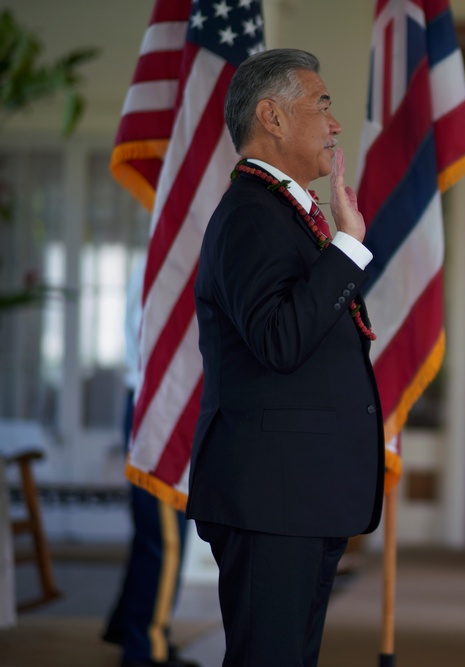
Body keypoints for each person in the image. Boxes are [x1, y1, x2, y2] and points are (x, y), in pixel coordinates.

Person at [187, 48, 384, 667]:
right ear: (271, 116)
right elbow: (279, 339)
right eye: (322, 104)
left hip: (295, 494)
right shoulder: (251, 213)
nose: (336, 124)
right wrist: (348, 247)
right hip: (271, 497)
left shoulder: (280, 211)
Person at [102, 257, 199, 667]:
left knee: (155, 532)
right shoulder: (171, 255)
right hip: (159, 406)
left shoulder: (167, 251)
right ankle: (145, 647)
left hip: (157, 404)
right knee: (163, 537)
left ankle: (131, 625)